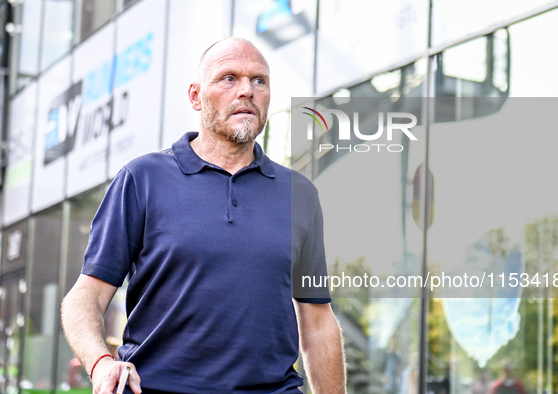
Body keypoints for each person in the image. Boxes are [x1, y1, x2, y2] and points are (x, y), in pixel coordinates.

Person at [61, 37, 346, 394]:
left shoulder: (300, 194)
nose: (247, 91)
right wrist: (100, 362)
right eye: (229, 78)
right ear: (196, 96)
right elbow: (86, 295)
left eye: (259, 80)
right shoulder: (143, 179)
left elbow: (317, 320)